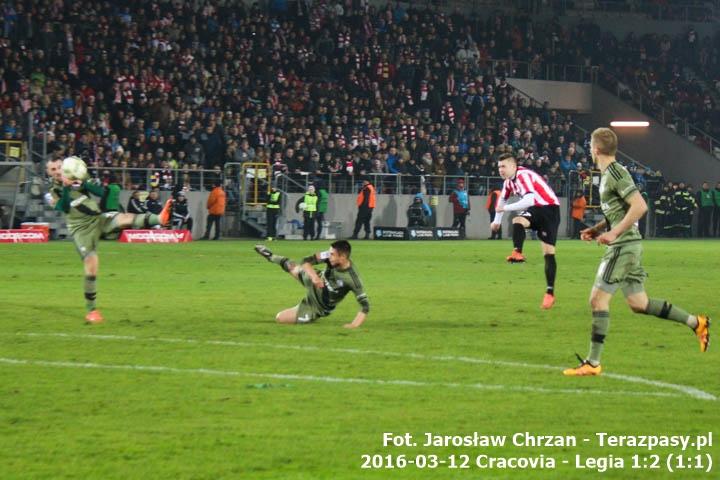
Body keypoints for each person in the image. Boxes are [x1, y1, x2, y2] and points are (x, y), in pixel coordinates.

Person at [564, 128, 710, 376]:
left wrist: (613, 234)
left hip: (624, 246)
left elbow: (640, 206)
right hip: (629, 245)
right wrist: (598, 228)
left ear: (596, 149)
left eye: (590, 145)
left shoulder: (616, 173)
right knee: (638, 303)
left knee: (597, 300)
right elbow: (619, 212)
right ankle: (697, 323)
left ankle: (593, 363)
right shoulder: (609, 174)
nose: (589, 149)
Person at [45, 157, 172, 323]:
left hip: (98, 218)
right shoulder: (51, 193)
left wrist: (83, 182)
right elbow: (64, 207)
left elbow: (102, 193)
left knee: (124, 218)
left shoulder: (79, 180)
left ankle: (159, 219)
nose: (57, 172)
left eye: (59, 167)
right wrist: (68, 187)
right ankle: (91, 310)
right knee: (92, 267)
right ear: (48, 172)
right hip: (81, 230)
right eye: (53, 169)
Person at [491, 153, 561, 309]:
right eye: (499, 167)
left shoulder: (523, 175)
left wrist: (505, 209)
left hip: (549, 210)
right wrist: (496, 221)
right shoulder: (508, 182)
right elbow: (502, 199)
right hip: (536, 209)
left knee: (549, 254)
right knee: (518, 221)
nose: (500, 170)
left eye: (504, 166)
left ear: (514, 166)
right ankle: (517, 252)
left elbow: (528, 200)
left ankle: (549, 293)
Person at [253, 240, 369, 328]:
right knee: (291, 266)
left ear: (343, 257)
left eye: (332, 254)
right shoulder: (328, 256)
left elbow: (365, 306)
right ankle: (270, 256)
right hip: (317, 280)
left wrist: (353, 325)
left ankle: (307, 315)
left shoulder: (353, 279)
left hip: (317, 305)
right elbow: (305, 260)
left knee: (280, 318)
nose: (329, 255)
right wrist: (314, 277)